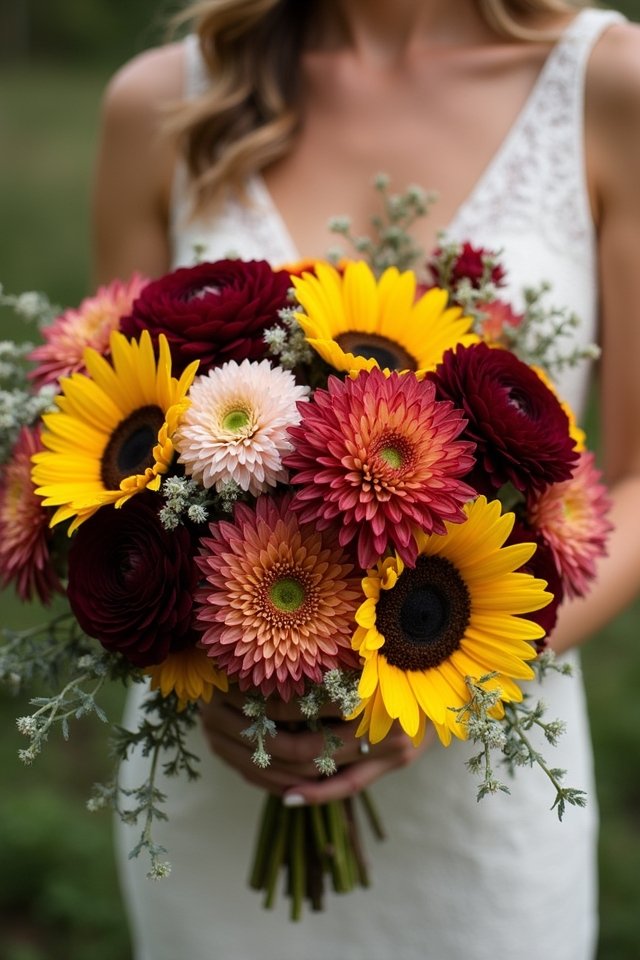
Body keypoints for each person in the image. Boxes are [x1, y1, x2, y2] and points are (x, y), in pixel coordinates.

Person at [92, 2, 640, 958]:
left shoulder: (609, 85)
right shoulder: (162, 103)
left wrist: (447, 671)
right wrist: (191, 650)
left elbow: (634, 479)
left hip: (479, 794)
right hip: (220, 765)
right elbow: (106, 431)